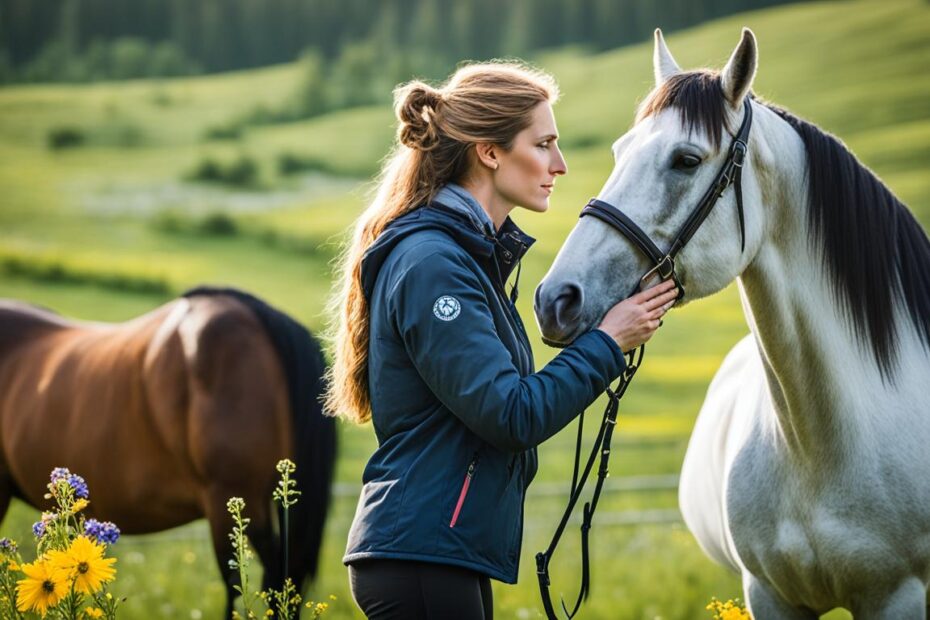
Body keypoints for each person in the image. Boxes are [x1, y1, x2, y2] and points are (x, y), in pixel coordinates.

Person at [324, 62, 677, 620]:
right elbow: (512, 413)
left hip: (438, 553)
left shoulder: (462, 258)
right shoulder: (433, 264)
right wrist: (609, 342)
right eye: (544, 144)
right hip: (421, 558)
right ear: (490, 152)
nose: (559, 165)